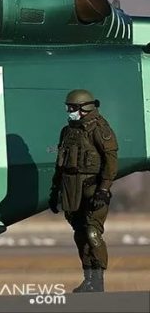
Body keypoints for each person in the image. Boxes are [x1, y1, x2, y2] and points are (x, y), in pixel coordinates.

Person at [49, 89, 117, 293]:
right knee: (80, 234)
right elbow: (60, 165)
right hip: (71, 189)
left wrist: (103, 189)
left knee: (92, 231)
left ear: (84, 108)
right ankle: (89, 279)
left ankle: (98, 280)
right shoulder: (68, 131)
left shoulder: (99, 129)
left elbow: (110, 162)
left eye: (72, 108)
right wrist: (54, 192)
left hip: (92, 188)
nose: (69, 111)